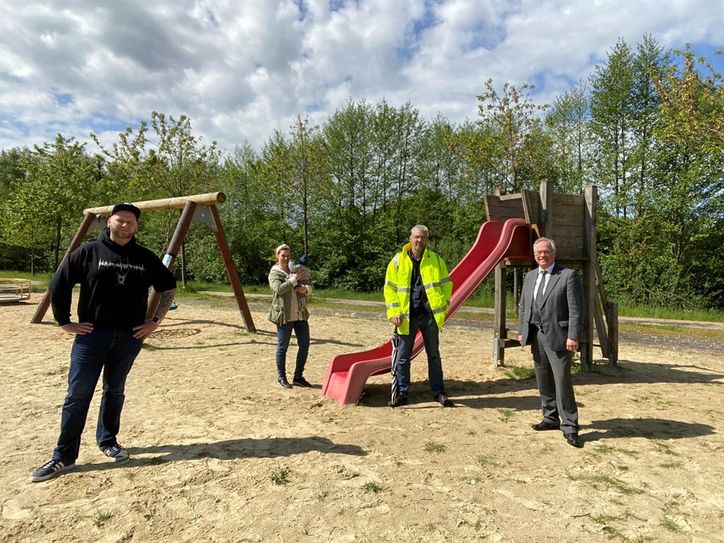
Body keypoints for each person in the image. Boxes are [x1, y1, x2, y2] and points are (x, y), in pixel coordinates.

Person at [30, 203, 177, 482]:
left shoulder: (144, 257)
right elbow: (58, 284)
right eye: (120, 220)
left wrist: (155, 320)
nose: (125, 226)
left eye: (131, 222)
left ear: (136, 227)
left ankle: (108, 441)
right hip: (91, 336)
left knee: (115, 390)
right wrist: (64, 321)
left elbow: (168, 287)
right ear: (109, 222)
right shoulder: (88, 252)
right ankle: (64, 456)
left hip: (129, 337)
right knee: (78, 394)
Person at [517, 237, 584, 448]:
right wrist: (522, 330)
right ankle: (550, 418)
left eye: (546, 252)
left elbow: (576, 310)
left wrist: (573, 336)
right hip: (536, 335)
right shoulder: (529, 277)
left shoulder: (567, 276)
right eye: (538, 252)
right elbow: (523, 306)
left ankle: (570, 426)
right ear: (534, 255)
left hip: (559, 337)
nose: (542, 255)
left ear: (554, 253)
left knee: (562, 381)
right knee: (543, 379)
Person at [384, 225, 453, 408]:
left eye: (422, 238)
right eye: (416, 237)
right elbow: (389, 289)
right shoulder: (398, 261)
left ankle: (439, 392)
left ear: (427, 240)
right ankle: (402, 393)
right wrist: (394, 312)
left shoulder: (436, 260)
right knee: (403, 357)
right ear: (410, 238)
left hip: (429, 315)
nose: (419, 241)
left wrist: (444, 304)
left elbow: (447, 284)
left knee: (434, 356)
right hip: (407, 316)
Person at [268, 244, 312, 389]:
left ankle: (298, 377)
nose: (286, 258)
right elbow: (279, 289)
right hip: (284, 315)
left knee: (304, 345)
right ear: (277, 256)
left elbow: (308, 284)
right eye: (283, 255)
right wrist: (293, 280)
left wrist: (305, 289)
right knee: (283, 347)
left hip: (300, 314)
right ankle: (282, 377)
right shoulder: (275, 273)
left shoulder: (296, 269)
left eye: (288, 255)